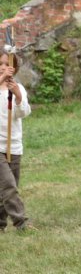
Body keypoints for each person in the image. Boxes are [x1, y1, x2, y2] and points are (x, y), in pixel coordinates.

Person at [0, 52, 32, 233]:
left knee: (6, 189)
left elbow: (23, 113)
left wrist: (18, 95)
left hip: (14, 145)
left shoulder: (17, 87)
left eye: (7, 64)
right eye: (0, 64)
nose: (4, 67)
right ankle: (21, 223)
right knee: (9, 186)